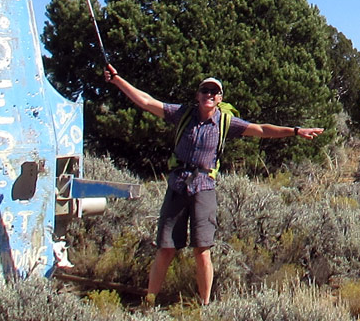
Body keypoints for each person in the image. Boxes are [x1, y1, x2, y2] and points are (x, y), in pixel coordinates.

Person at [103, 64, 324, 305]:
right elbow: (147, 102)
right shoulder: (182, 114)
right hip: (178, 185)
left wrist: (295, 131)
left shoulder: (225, 122)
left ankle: (204, 305)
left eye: (213, 92)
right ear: (198, 95)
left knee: (202, 250)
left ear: (220, 98)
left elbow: (261, 129)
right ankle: (150, 300)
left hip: (204, 187)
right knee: (165, 248)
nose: (209, 95)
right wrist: (117, 80)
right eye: (205, 91)